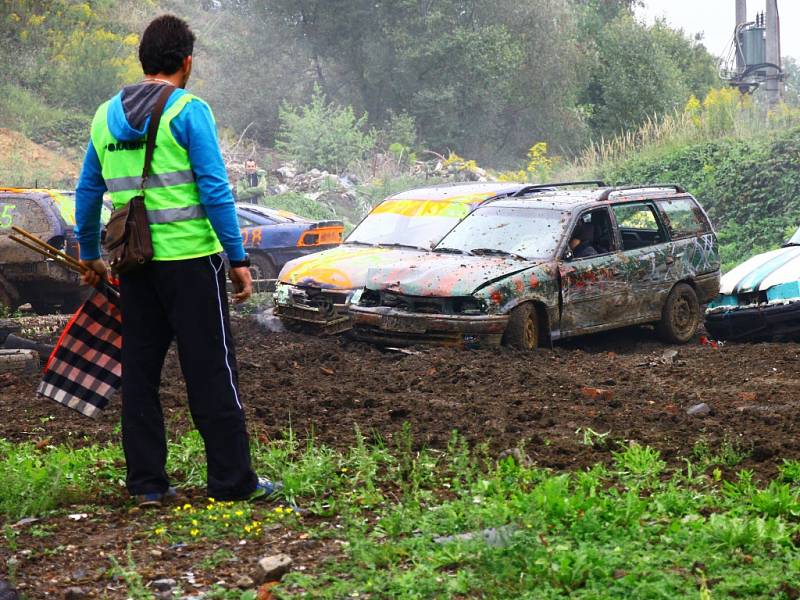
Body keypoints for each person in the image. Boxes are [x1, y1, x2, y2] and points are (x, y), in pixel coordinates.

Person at [74, 14, 279, 507]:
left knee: (140, 373)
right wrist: (237, 257)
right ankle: (232, 482)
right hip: (191, 263)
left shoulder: (104, 116)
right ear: (186, 63)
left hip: (133, 265)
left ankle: (147, 484)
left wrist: (89, 253)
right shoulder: (188, 110)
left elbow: (87, 189)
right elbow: (214, 188)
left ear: (143, 61)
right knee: (211, 370)